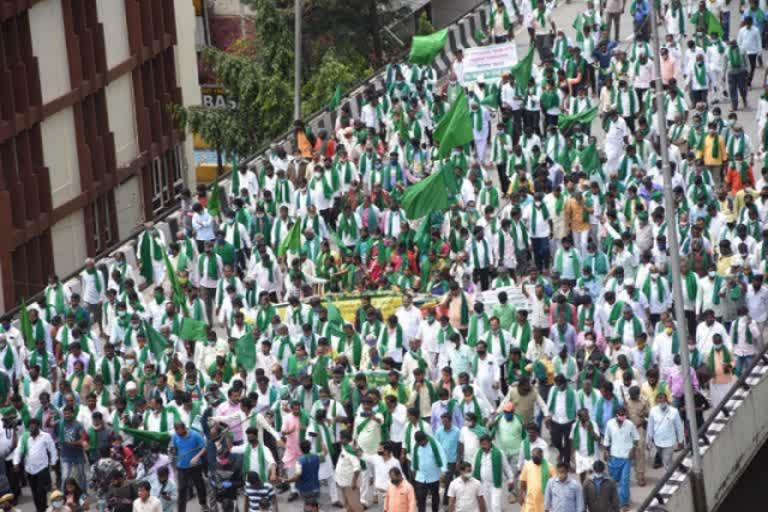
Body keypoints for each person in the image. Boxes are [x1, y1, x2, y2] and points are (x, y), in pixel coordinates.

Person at [11, 418, 57, 512]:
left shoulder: (45, 436)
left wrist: (53, 462)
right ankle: (39, 509)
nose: (32, 426)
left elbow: (52, 450)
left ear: (38, 426)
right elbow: (18, 450)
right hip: (30, 470)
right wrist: (16, 463)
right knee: (35, 493)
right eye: (30, 424)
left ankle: (43, 509)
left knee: (41, 492)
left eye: (34, 424)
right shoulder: (25, 437)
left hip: (42, 468)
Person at [602, 407, 639, 511]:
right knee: (614, 480)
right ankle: (614, 500)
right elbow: (607, 439)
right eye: (620, 415)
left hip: (626, 457)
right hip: (614, 456)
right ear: (616, 415)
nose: (622, 417)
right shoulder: (610, 424)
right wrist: (605, 451)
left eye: (624, 414)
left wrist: (633, 449)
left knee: (625, 481)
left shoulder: (630, 424)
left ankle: (624, 503)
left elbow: (636, 439)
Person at [169, 422, 207, 512]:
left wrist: (197, 457)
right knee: (181, 489)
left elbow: (204, 447)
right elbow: (174, 448)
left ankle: (203, 504)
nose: (178, 434)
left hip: (195, 466)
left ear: (184, 429)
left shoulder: (195, 435)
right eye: (176, 432)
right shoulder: (175, 436)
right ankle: (181, 510)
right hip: (181, 466)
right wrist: (172, 451)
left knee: (199, 486)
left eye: (179, 432)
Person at [646, 393, 684, 471]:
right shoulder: (653, 411)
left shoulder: (674, 411)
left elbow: (679, 427)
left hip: (670, 441)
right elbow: (650, 426)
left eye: (662, 398)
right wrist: (648, 441)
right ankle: (678, 467)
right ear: (656, 400)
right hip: (658, 441)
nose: (661, 400)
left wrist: (680, 440)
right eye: (659, 398)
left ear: (666, 400)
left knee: (666, 460)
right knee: (665, 460)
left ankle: (669, 477)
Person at [411, 431, 447, 512]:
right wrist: (413, 469)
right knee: (420, 499)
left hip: (433, 476)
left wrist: (443, 471)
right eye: (419, 442)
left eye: (422, 442)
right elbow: (414, 458)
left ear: (425, 438)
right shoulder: (416, 446)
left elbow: (442, 456)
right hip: (420, 477)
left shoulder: (435, 444)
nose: (421, 444)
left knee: (435, 498)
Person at [519, 447, 554, 512]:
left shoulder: (550, 467)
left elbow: (556, 484)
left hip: (543, 502)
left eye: (536, 458)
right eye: (533, 457)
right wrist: (521, 495)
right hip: (530, 501)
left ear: (542, 456)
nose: (534, 460)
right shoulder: (527, 465)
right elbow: (523, 481)